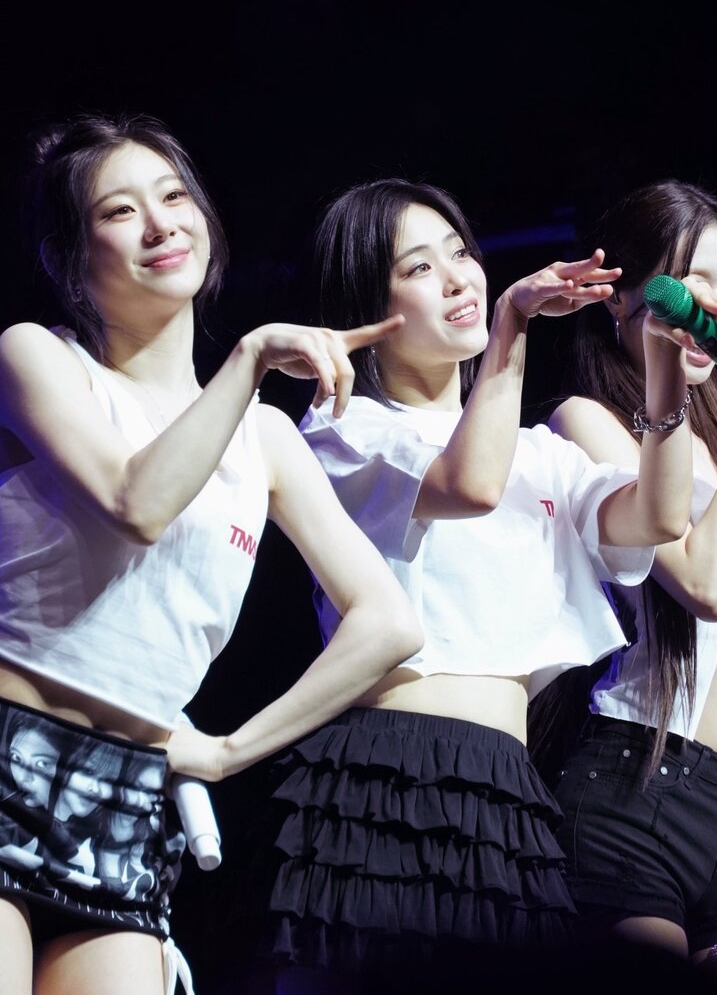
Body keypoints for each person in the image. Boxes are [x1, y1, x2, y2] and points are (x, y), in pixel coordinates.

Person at [215, 176, 702, 991]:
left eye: (460, 253)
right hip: (387, 767)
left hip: (509, 786)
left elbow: (656, 517)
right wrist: (511, 324)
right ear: (369, 307)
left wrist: (664, 369)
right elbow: (469, 485)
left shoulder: (540, 453)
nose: (456, 277)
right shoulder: (345, 430)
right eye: (418, 267)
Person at [0, 113, 425, 995]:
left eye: (174, 196)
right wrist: (251, 356)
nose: (160, 224)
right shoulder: (40, 357)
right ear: (70, 257)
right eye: (120, 211)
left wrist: (230, 751)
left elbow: (389, 622)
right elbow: (137, 503)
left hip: (128, 793)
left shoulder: (265, 439)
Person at [539, 179, 717, 966]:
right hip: (636, 783)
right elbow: (704, 584)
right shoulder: (587, 420)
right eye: (698, 282)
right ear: (623, 299)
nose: (716, 307)